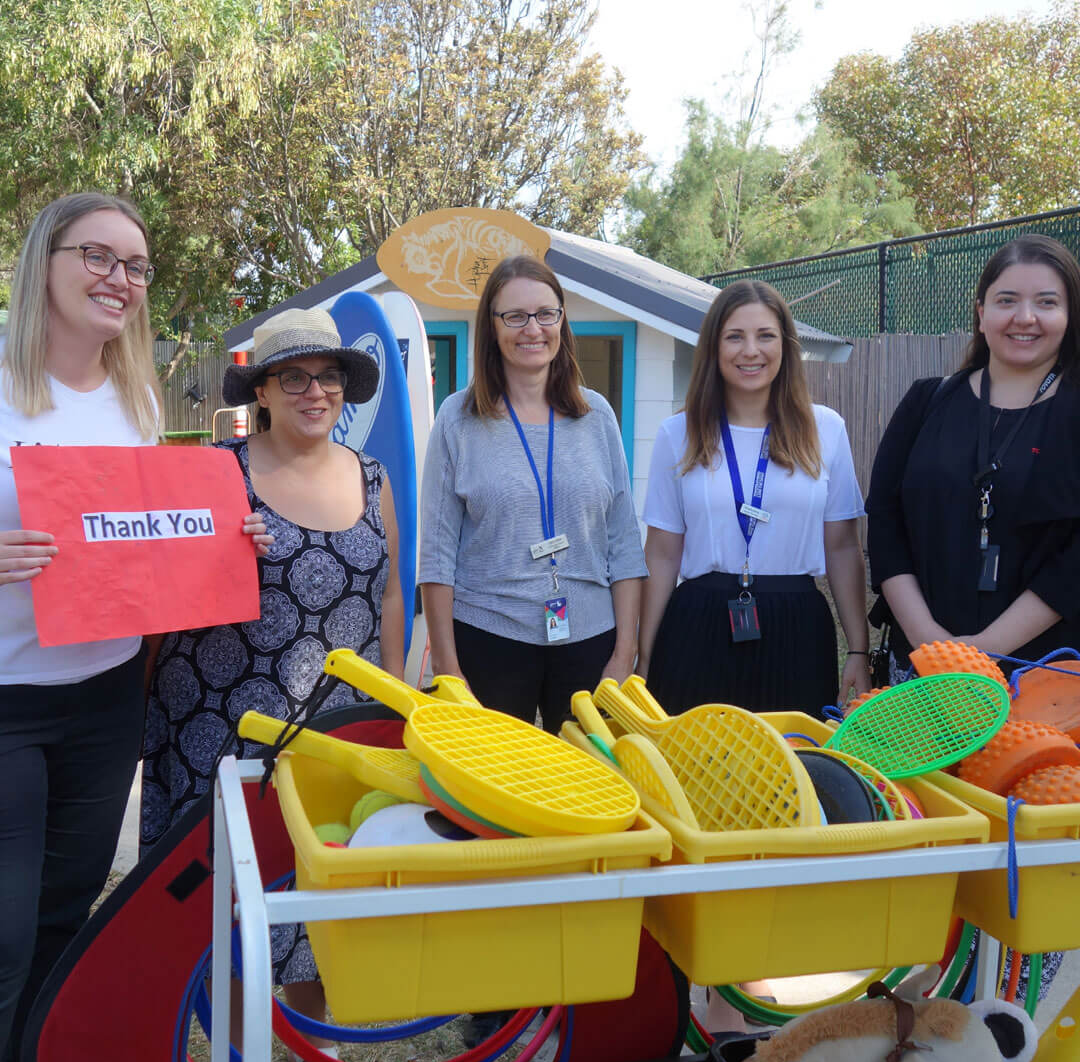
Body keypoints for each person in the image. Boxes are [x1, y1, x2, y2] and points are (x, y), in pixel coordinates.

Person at [0, 192, 266, 1062]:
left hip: (105, 697)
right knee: (2, 931)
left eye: (137, 266)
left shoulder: (136, 394)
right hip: (6, 700)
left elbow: (143, 539)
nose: (121, 280)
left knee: (65, 913)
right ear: (48, 258)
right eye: (100, 257)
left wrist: (226, 534)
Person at [139, 305, 402, 1062]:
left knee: (323, 894)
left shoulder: (375, 476)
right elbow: (161, 584)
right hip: (219, 726)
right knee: (227, 902)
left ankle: (310, 1046)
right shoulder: (218, 470)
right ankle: (246, 1051)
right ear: (265, 390)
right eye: (295, 378)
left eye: (327, 378)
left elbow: (391, 593)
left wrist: (390, 704)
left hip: (332, 734)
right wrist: (216, 548)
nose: (314, 392)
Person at [419, 254, 646, 733]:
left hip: (590, 639)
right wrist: (447, 667)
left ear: (562, 321)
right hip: (488, 636)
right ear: (492, 327)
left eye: (546, 313)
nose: (532, 329)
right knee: (495, 796)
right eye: (515, 316)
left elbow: (624, 544)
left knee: (586, 792)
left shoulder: (597, 416)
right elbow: (437, 555)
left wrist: (625, 654)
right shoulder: (457, 419)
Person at [638, 279, 870, 718]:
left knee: (791, 769)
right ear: (714, 347)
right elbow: (663, 554)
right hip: (698, 622)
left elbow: (841, 547)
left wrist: (858, 650)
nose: (751, 351)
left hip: (797, 625)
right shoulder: (678, 434)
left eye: (765, 336)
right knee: (695, 771)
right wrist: (644, 655)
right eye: (735, 337)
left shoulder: (826, 430)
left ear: (785, 345)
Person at [867, 234, 1080, 679]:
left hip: (1042, 674)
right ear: (982, 314)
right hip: (921, 670)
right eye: (1007, 301)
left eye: (1046, 302)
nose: (1025, 318)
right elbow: (886, 524)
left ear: (1069, 316)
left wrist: (985, 648)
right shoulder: (926, 402)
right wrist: (929, 641)